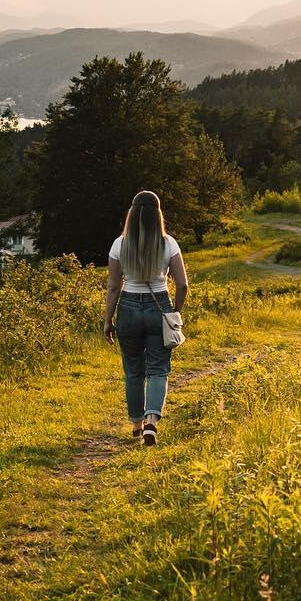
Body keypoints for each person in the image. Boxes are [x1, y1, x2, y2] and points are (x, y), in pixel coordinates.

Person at [103, 190, 188, 445]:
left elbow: (114, 286)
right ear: (158, 214)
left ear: (132, 213)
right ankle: (152, 421)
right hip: (159, 305)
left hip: (128, 307)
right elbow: (182, 285)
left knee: (133, 370)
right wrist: (175, 312)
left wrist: (108, 319)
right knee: (158, 368)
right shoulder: (168, 243)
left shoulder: (119, 244)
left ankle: (136, 424)